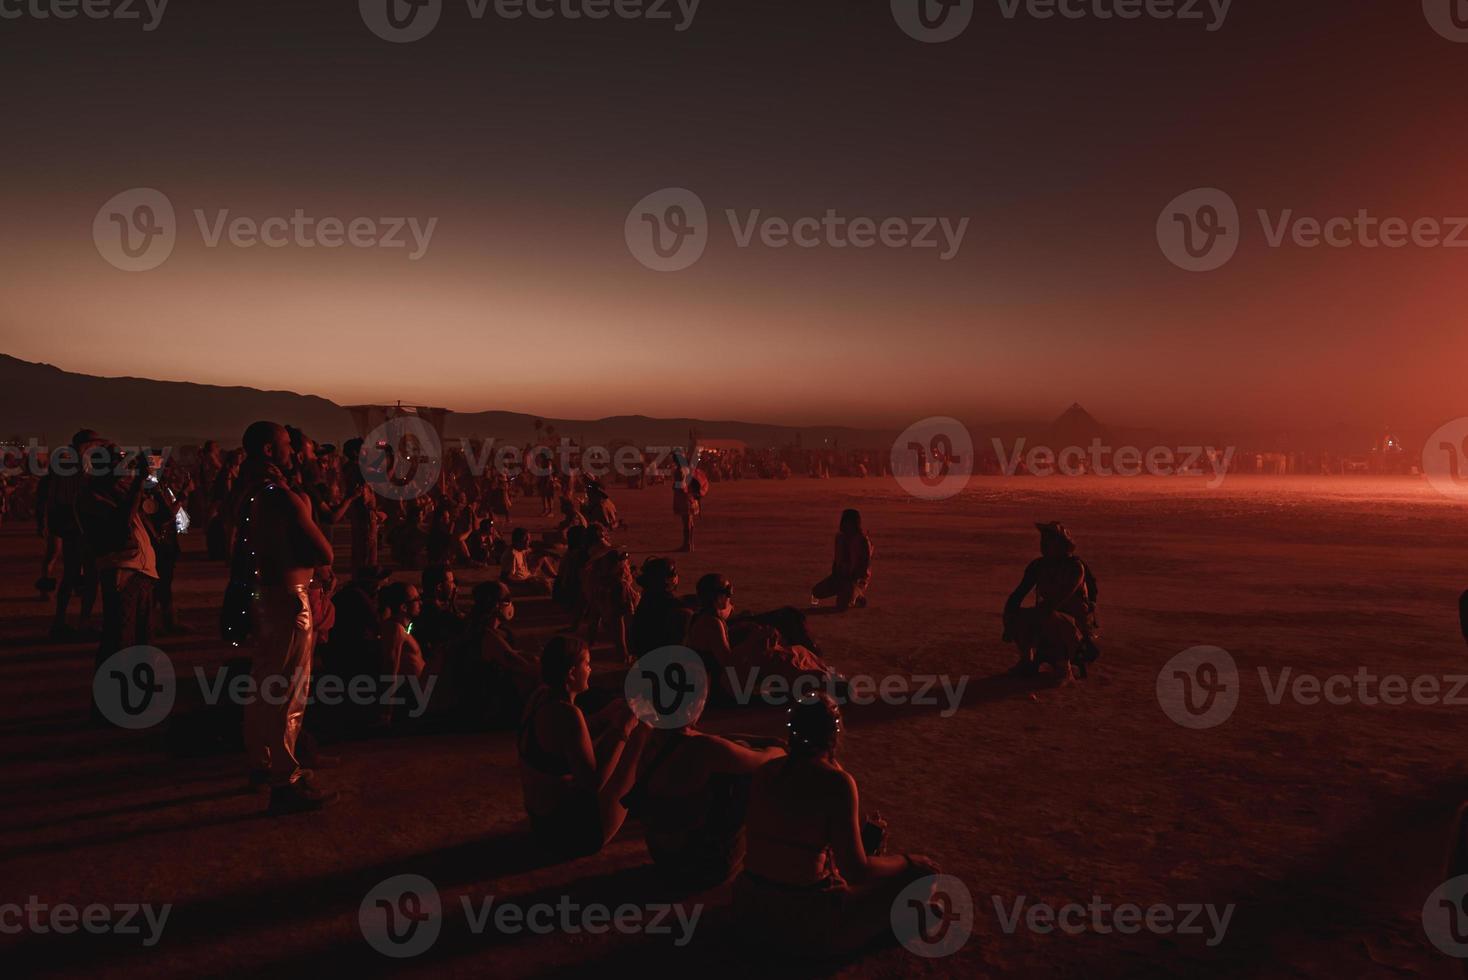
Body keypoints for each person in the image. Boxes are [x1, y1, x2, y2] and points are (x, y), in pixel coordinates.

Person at [734, 694, 940, 957]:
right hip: (805, 917)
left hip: (749, 909)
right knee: (922, 879)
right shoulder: (837, 783)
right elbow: (856, 870)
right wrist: (909, 861)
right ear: (835, 733)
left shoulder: (766, 771)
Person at [233, 421, 336, 814]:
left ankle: (261, 764)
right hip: (290, 601)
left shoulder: (250, 492)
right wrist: (305, 504)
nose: (294, 453)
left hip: (262, 597)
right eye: (287, 446)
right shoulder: (282, 498)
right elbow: (322, 552)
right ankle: (285, 779)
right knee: (289, 693)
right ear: (268, 450)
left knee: (262, 686)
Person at [622, 697, 786, 887]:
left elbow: (715, 738)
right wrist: (779, 747)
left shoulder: (650, 735)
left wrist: (762, 740)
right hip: (704, 866)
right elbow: (765, 760)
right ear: (693, 705)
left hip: (662, 855)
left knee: (736, 751)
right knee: (749, 773)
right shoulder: (704, 749)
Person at [517, 636, 650, 856]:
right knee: (641, 731)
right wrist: (623, 728)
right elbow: (593, 782)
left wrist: (604, 718)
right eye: (587, 664)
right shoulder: (568, 714)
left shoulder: (540, 696)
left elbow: (567, 742)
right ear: (571, 673)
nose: (591, 669)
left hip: (542, 824)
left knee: (617, 737)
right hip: (572, 835)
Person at [78, 446, 159, 688]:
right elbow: (121, 525)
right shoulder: (92, 497)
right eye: (117, 464)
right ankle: (111, 702)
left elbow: (152, 523)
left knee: (141, 640)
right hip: (122, 572)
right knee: (119, 640)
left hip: (141, 572)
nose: (125, 469)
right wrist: (138, 485)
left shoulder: (118, 491)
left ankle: (134, 698)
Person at [1002, 521, 1099, 683]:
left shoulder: (1075, 567)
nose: (1044, 545)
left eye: (1049, 542)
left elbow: (1059, 599)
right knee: (1018, 615)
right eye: (1043, 541)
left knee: (1049, 618)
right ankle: (1027, 661)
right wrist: (1010, 618)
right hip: (1046, 616)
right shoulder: (1038, 566)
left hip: (1073, 625)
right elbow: (1018, 594)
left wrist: (1036, 617)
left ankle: (1064, 668)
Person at [39, 429, 104, 640]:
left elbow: (51, 498)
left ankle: (62, 621)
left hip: (73, 527)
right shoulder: (75, 468)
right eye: (93, 444)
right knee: (85, 576)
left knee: (74, 575)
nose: (96, 448)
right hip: (78, 527)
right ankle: (77, 623)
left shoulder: (69, 466)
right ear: (84, 445)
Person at [629, 557, 693, 658]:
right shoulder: (670, 605)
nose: (676, 576)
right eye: (673, 573)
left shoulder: (648, 597)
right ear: (666, 580)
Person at [810, 509, 873, 611]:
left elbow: (864, 564)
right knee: (817, 591)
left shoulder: (862, 540)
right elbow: (837, 560)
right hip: (841, 575)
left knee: (842, 605)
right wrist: (835, 576)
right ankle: (845, 591)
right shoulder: (840, 538)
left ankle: (857, 596)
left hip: (856, 579)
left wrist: (853, 579)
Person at [501, 526, 557, 595]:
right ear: (519, 540)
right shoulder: (511, 555)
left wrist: (552, 554)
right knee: (546, 587)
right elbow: (504, 578)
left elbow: (536, 551)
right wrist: (526, 582)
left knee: (541, 557)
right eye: (527, 539)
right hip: (521, 582)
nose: (529, 541)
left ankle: (556, 577)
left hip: (527, 575)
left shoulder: (521, 549)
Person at [671, 450, 702, 552]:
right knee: (690, 522)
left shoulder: (679, 471)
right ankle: (690, 544)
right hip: (691, 498)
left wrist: (674, 486)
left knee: (686, 523)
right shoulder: (688, 469)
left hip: (684, 499)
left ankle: (687, 545)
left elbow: (680, 486)